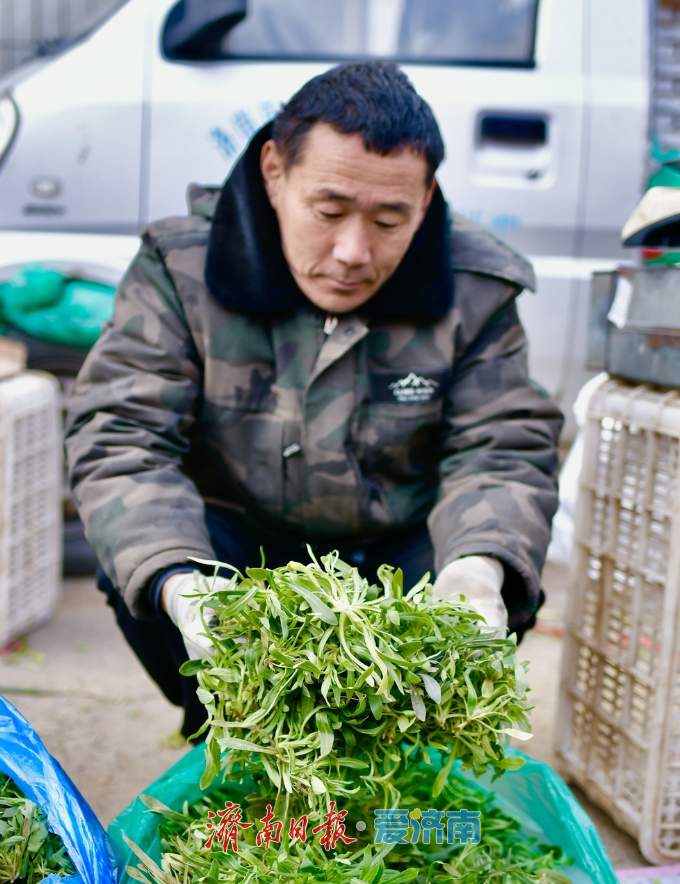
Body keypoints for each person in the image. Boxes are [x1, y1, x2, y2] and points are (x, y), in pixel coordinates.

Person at [65, 61, 563, 740]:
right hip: (246, 554)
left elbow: (501, 447)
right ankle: (238, 732)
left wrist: (478, 567)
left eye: (390, 219)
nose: (354, 251)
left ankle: (400, 753)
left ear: (426, 198)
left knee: (499, 578)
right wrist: (183, 584)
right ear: (274, 173)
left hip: (396, 553)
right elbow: (123, 434)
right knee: (141, 564)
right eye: (328, 211)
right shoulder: (183, 269)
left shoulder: (474, 286)